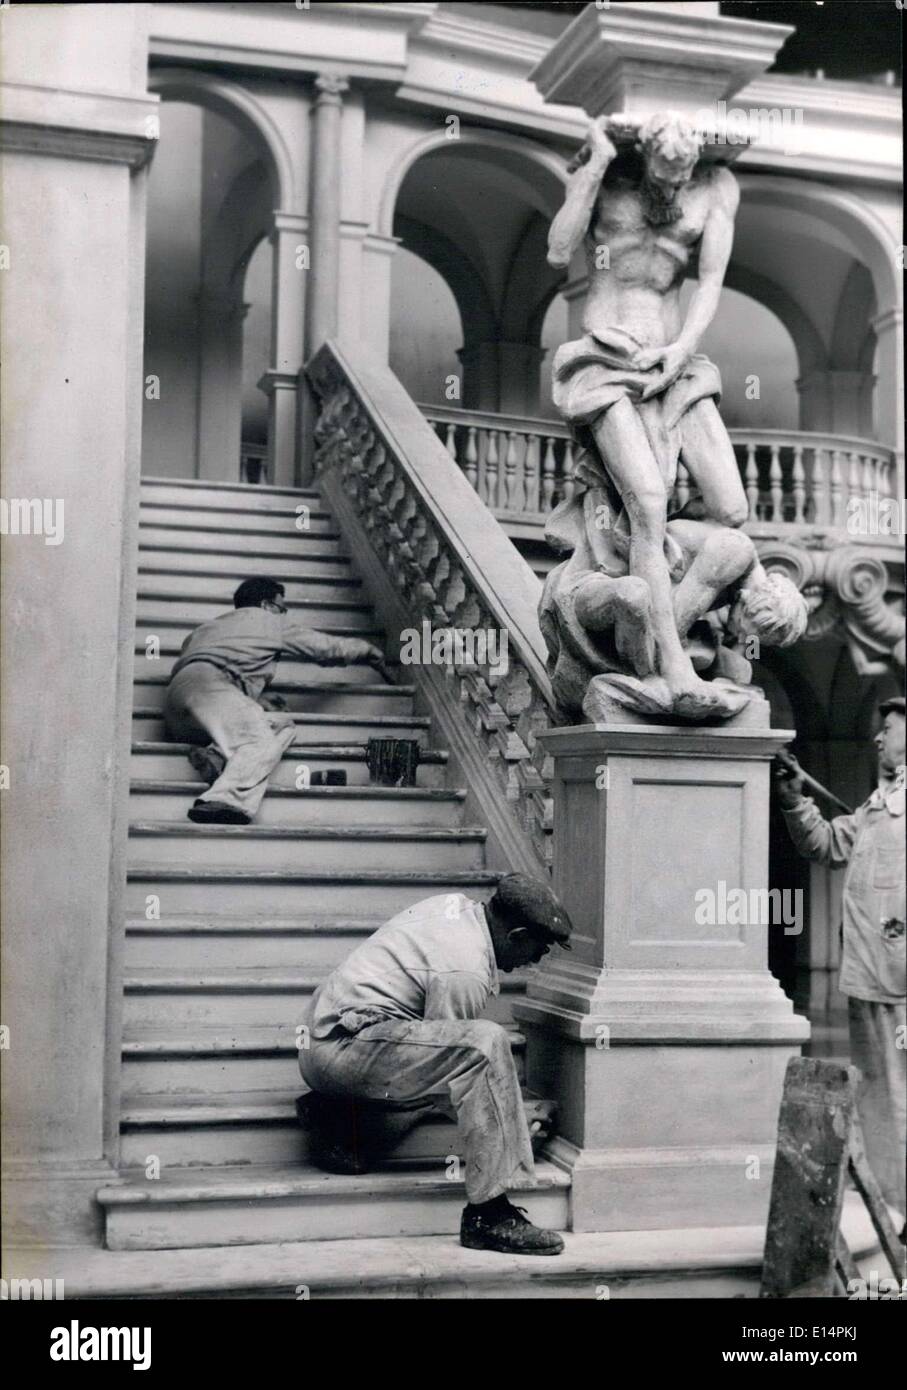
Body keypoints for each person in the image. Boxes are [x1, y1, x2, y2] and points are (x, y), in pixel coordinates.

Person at [547, 111, 747, 718]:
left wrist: (681, 348)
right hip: (606, 360)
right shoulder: (605, 179)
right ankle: (675, 665)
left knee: (732, 509)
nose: (671, 187)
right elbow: (559, 250)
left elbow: (709, 280)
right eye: (663, 174)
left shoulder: (715, 187)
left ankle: (667, 609)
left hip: (675, 361)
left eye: (681, 174)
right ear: (647, 157)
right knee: (648, 504)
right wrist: (599, 161)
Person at [298, 873, 574, 1255]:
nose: (535, 960)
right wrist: (516, 1123)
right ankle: (488, 1215)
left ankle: (341, 1120)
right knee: (486, 1043)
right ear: (516, 936)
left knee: (468, 1060)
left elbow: (438, 1064)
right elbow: (458, 1076)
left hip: (331, 1040)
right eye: (539, 949)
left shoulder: (456, 908)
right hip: (343, 1048)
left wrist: (507, 1107)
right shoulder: (464, 971)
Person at [775, 698, 906, 1214]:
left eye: (889, 729)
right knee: (878, 1091)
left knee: (899, 1094)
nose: (877, 737)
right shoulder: (881, 806)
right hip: (867, 976)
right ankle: (892, 1201)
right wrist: (794, 801)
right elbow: (828, 845)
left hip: (898, 978)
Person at [164, 576, 384, 824]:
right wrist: (367, 650)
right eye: (282, 608)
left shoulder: (205, 629)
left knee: (282, 725)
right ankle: (223, 800)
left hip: (178, 706)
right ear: (268, 605)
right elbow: (325, 648)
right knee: (258, 741)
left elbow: (223, 670)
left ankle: (215, 756)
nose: (283, 614)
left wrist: (254, 699)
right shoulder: (268, 621)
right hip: (210, 688)